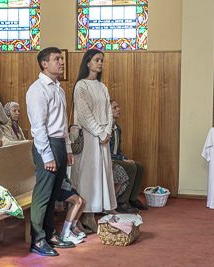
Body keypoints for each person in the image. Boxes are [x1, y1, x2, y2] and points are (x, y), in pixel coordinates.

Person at [26, 47, 75, 257]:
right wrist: (47, 155)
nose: (61, 62)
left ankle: (49, 234)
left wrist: (68, 148)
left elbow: (63, 124)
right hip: (46, 145)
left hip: (59, 143)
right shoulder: (38, 89)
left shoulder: (58, 88)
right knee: (43, 194)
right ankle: (37, 240)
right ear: (44, 63)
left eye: (61, 59)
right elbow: (38, 127)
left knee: (55, 194)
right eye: (57, 59)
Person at [71, 49, 117, 233]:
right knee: (87, 176)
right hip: (89, 138)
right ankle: (82, 215)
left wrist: (107, 131)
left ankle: (93, 213)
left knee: (101, 175)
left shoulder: (102, 86)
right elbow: (84, 114)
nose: (100, 63)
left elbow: (108, 111)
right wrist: (100, 132)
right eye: (97, 60)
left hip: (102, 139)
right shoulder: (81, 86)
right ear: (87, 62)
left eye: (102, 61)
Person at [110, 99, 148, 212]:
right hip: (109, 160)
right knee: (131, 167)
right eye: (115, 107)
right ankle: (122, 202)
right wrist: (121, 159)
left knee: (139, 166)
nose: (119, 109)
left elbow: (117, 150)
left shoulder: (118, 129)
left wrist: (125, 158)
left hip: (116, 157)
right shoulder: (105, 129)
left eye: (118, 107)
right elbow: (106, 152)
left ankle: (132, 199)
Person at [57, 169, 86, 245]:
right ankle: (65, 233)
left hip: (65, 184)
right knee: (78, 201)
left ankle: (73, 226)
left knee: (83, 202)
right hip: (58, 186)